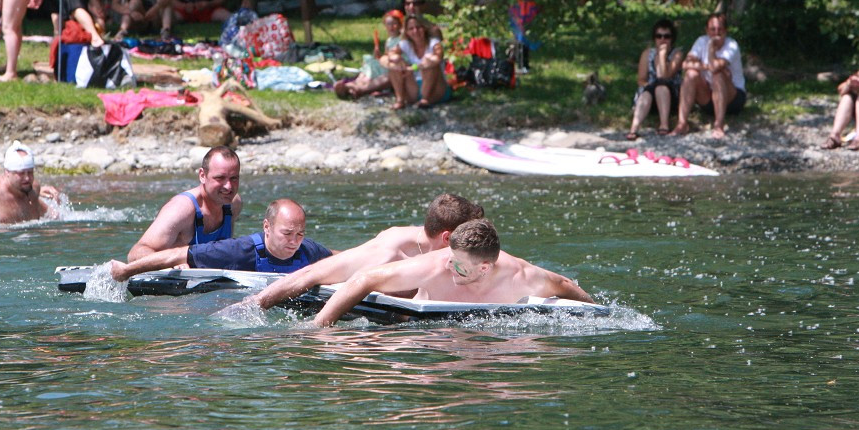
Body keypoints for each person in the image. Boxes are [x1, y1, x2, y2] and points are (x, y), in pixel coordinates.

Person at [311, 218, 592, 327]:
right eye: (450, 257)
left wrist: (598, 310)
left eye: (458, 264)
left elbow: (564, 285)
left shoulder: (524, 278)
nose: (449, 266)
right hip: (408, 320)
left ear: (484, 268)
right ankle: (326, 254)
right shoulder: (436, 266)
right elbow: (365, 278)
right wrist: (320, 326)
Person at [247, 192, 485, 311]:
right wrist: (254, 305)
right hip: (315, 264)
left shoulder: (436, 248)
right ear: (446, 237)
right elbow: (310, 275)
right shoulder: (388, 252)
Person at [111, 198, 331, 281]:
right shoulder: (237, 251)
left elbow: (340, 258)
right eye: (287, 234)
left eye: (299, 234)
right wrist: (127, 271)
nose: (294, 241)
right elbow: (178, 254)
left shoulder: (307, 250)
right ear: (267, 227)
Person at [128, 146, 243, 261]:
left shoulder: (233, 204)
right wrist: (170, 263)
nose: (228, 186)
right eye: (220, 178)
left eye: (234, 178)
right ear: (202, 175)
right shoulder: (181, 209)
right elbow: (135, 254)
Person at [670, 13, 746, 139]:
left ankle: (719, 125)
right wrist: (705, 66)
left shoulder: (731, 45)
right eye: (712, 29)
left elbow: (715, 67)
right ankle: (682, 123)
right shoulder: (701, 41)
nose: (716, 33)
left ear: (725, 31)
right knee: (690, 74)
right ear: (706, 30)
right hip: (709, 96)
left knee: (718, 75)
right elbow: (686, 64)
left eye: (720, 29)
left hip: (733, 99)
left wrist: (710, 49)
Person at [334, 10, 413, 99]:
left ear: (400, 25)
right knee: (369, 64)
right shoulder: (389, 40)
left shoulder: (402, 38)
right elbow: (386, 54)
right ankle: (350, 86)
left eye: (394, 24)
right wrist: (379, 55)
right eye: (388, 24)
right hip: (388, 64)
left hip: (398, 65)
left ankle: (357, 89)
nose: (391, 27)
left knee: (386, 75)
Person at [627, 19, 684, 139]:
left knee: (661, 87)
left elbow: (665, 76)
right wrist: (649, 87)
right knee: (647, 93)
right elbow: (641, 79)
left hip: (670, 95)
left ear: (672, 39)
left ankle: (664, 125)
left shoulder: (677, 54)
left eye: (666, 36)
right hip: (651, 94)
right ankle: (634, 127)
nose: (662, 40)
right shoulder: (647, 54)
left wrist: (662, 56)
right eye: (659, 36)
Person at [388, 14, 450, 109]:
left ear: (424, 28)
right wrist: (396, 58)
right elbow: (389, 54)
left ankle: (425, 99)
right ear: (407, 32)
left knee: (429, 61)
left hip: (436, 88)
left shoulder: (434, 43)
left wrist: (415, 67)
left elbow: (438, 58)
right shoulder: (405, 44)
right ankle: (400, 100)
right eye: (411, 29)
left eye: (418, 27)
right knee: (394, 66)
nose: (415, 31)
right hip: (415, 87)